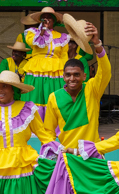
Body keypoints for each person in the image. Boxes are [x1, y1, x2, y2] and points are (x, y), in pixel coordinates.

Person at [45, 21, 111, 152]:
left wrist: (97, 44)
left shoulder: (92, 89)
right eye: (68, 75)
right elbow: (48, 131)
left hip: (92, 154)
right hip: (67, 156)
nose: (72, 79)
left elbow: (105, 72)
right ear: (63, 77)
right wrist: (54, 149)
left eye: (76, 74)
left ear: (84, 76)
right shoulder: (54, 97)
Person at [21, 7, 75, 111]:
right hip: (37, 69)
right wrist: (43, 30)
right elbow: (32, 43)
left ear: (54, 20)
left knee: (54, 97)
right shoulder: (32, 32)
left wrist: (67, 73)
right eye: (44, 17)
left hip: (55, 71)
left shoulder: (62, 37)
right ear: (40, 20)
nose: (47, 19)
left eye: (50, 17)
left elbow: (64, 56)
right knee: (35, 95)